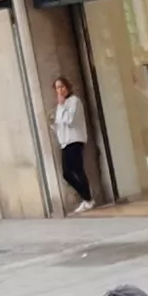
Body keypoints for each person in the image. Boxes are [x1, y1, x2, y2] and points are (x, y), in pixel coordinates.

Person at [51, 77, 94, 213]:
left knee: (76, 170)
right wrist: (53, 124)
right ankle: (86, 198)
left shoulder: (74, 101)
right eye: (57, 88)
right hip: (65, 142)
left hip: (75, 140)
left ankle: (88, 199)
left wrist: (63, 106)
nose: (60, 90)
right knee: (67, 173)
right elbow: (60, 125)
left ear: (68, 87)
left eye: (62, 86)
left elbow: (70, 121)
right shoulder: (60, 105)